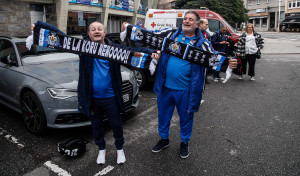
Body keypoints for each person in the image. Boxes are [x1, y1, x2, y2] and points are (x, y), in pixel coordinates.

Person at [32, 21, 155, 165]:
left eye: (99, 29)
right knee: (96, 126)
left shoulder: (114, 49)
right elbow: (62, 37)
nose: (96, 31)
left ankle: (119, 149)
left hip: (111, 98)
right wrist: (40, 25)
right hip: (93, 99)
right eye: (93, 29)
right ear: (89, 34)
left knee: (116, 125)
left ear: (104, 33)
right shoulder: (83, 48)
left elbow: (132, 51)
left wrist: (153, 53)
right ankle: (101, 149)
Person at [122, 11, 237, 159]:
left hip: (187, 90)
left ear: (197, 25)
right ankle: (164, 139)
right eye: (185, 19)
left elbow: (214, 56)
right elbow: (150, 35)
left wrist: (228, 62)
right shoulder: (170, 34)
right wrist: (130, 28)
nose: (187, 21)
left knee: (186, 118)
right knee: (163, 116)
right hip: (165, 87)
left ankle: (184, 142)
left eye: (191, 20)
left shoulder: (202, 43)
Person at [199, 19, 212, 84]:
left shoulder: (205, 33)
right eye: (206, 24)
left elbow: (209, 43)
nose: (207, 26)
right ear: (200, 24)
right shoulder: (197, 34)